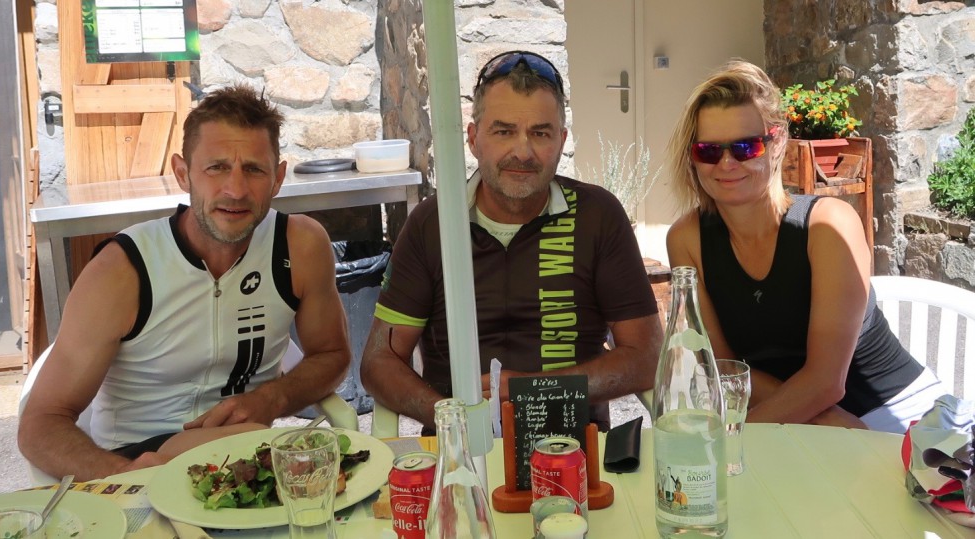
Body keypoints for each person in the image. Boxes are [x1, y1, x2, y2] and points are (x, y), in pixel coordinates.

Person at [18, 86, 351, 481]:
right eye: (216, 168)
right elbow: (40, 423)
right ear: (182, 173)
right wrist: (125, 474)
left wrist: (273, 397)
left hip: (244, 457)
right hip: (138, 459)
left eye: (254, 170)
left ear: (278, 178)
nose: (236, 190)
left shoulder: (300, 246)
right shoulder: (121, 270)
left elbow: (332, 354)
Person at [360, 51, 663, 431]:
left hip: (573, 448)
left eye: (540, 133)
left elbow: (647, 357)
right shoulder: (433, 223)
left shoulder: (597, 216)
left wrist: (535, 391)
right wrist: (451, 418)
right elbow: (379, 362)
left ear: (561, 141)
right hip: (460, 447)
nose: (522, 152)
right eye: (503, 132)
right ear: (473, 139)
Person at [665, 60, 944, 433]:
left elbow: (827, 382)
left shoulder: (828, 225)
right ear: (692, 157)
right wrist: (823, 419)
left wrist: (731, 442)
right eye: (709, 150)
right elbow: (723, 367)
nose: (727, 163)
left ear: (777, 142)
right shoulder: (686, 239)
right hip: (800, 418)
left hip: (895, 412)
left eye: (746, 147)